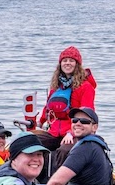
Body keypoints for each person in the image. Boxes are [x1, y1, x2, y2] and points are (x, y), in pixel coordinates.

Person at [43, 107, 115, 185]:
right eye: (75, 120)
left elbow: (56, 182)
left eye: (84, 121)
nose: (78, 123)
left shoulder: (85, 148)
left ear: (95, 127)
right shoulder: (96, 145)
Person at [33, 46, 97, 174]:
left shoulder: (85, 87)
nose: (67, 63)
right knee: (30, 141)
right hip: (54, 131)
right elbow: (48, 107)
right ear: (60, 64)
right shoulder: (56, 86)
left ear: (77, 64)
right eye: (65, 60)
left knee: (64, 151)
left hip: (75, 132)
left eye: (71, 60)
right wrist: (40, 122)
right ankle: (33, 177)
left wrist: (71, 132)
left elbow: (86, 113)